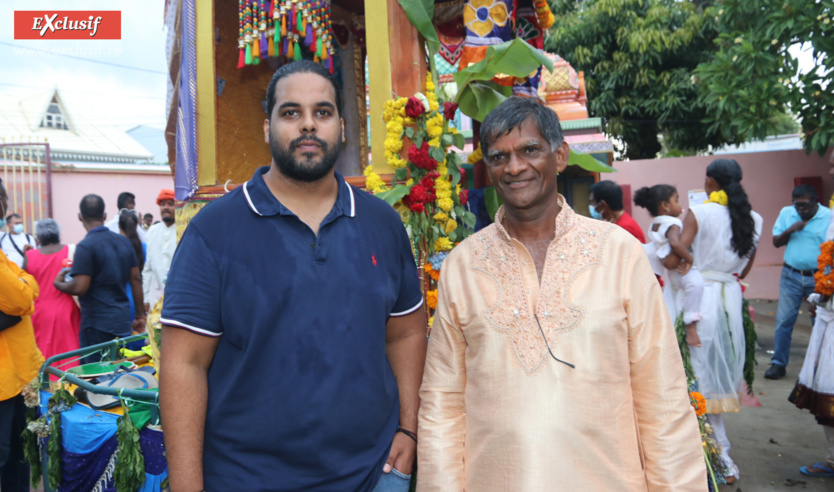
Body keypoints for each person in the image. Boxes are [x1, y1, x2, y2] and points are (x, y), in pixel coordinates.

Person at [159, 60, 426, 492]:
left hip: (371, 475)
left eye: (321, 112)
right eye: (290, 113)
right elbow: (182, 364)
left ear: (341, 125)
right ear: (267, 128)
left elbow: (406, 334)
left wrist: (410, 430)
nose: (307, 125)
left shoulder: (381, 223)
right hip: (245, 478)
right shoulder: (215, 230)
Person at [417, 96, 704, 491]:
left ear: (561, 155)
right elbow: (442, 405)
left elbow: (663, 398)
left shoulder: (618, 252)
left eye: (530, 150)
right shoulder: (462, 266)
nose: (514, 167)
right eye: (499, 157)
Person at [664, 158, 762, 483]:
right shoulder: (755, 219)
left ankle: (715, 460)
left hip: (698, 299)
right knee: (717, 376)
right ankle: (720, 457)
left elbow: (678, 256)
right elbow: (744, 270)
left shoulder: (700, 212)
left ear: (709, 181)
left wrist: (672, 255)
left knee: (697, 378)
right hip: (731, 299)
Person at [54, 194, 144, 362]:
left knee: (96, 378)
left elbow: (80, 287)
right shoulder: (124, 242)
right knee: (118, 373)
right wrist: (140, 316)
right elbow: (136, 280)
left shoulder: (86, 246)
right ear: (104, 216)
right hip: (121, 320)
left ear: (80, 217)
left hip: (96, 325)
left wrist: (59, 284)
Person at [789, 170, 834, 478]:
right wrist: (822, 295)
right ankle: (832, 459)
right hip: (828, 315)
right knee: (826, 394)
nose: (829, 168)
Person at [0, 178, 44, 492]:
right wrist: (24, 289)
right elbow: (20, 298)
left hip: (17, 375)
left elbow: (28, 282)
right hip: (4, 379)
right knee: (9, 455)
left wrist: (23, 287)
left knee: (20, 455)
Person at [765, 184, 830, 380]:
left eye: (806, 206)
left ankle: (819, 366)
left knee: (819, 322)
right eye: (797, 206)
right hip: (791, 274)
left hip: (818, 278)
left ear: (816, 202)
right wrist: (791, 229)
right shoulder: (787, 213)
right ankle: (778, 364)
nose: (801, 210)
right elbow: (776, 242)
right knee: (784, 321)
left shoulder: (828, 216)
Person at [634, 184, 705, 346]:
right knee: (697, 285)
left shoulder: (656, 224)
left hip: (671, 272)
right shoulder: (673, 223)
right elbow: (674, 243)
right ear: (665, 206)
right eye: (676, 200)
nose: (680, 205)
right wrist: (690, 259)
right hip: (680, 268)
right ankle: (691, 327)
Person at [24, 219, 81, 368]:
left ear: (38, 237)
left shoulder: (29, 256)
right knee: (70, 350)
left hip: (39, 311)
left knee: (43, 351)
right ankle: (70, 385)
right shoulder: (71, 250)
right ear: (58, 233)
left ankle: (46, 385)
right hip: (67, 308)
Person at [142, 189, 176, 313]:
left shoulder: (183, 229)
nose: (166, 208)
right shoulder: (152, 231)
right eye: (163, 204)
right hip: (157, 298)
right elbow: (148, 269)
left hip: (179, 297)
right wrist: (145, 298)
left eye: (170, 204)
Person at [118, 209, 146, 324]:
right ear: (137, 225)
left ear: (119, 226)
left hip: (120, 298)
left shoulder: (116, 246)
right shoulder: (143, 247)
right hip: (139, 297)